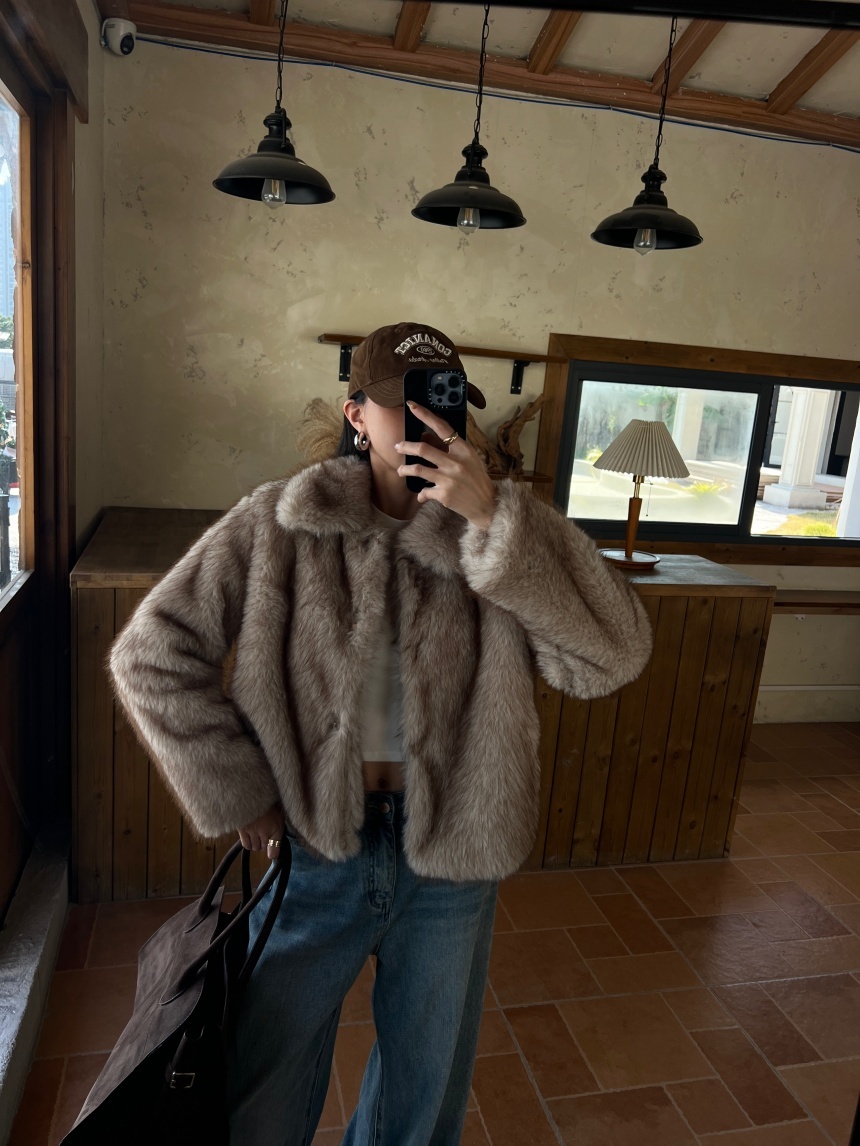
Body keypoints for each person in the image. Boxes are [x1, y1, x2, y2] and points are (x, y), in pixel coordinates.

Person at [108, 321, 653, 1146]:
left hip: (453, 861)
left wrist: (494, 522)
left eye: (447, 405)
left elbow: (613, 656)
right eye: (407, 404)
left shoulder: (503, 531)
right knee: (261, 1095)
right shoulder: (279, 524)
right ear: (357, 414)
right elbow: (150, 653)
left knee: (420, 1098)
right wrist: (240, 793)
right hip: (314, 848)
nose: (431, 423)